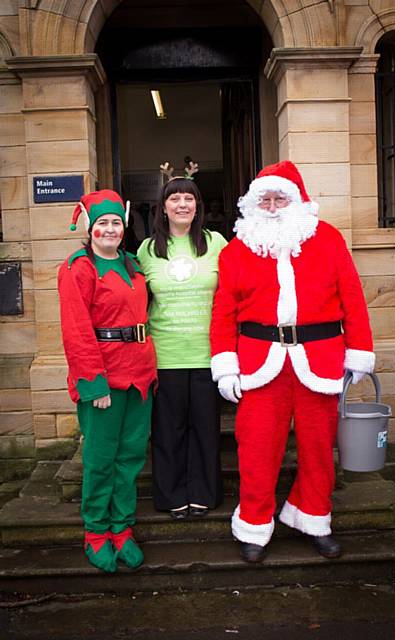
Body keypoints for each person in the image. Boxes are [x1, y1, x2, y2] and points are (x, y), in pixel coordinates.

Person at [210, 161, 375, 563]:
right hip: (259, 363)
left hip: (320, 360)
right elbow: (223, 312)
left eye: (279, 197)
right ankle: (254, 525)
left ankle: (314, 517)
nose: (271, 205)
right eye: (264, 198)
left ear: (297, 200)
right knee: (256, 449)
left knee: (319, 448)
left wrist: (359, 353)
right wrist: (225, 365)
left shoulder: (329, 239)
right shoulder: (237, 249)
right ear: (252, 203)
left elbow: (352, 299)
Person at [58, 189, 157, 573]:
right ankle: (96, 531)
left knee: (131, 458)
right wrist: (93, 384)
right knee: (101, 460)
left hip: (140, 378)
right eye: (102, 223)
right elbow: (77, 331)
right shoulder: (77, 268)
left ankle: (122, 528)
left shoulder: (132, 265)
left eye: (116, 222)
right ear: (89, 227)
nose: (110, 229)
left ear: (125, 224)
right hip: (104, 380)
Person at [137, 166, 227, 520]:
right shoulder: (146, 250)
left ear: (198, 205)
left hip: (207, 355)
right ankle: (172, 496)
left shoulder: (216, 243)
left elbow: (233, 294)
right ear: (163, 207)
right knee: (168, 432)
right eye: (175, 198)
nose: (182, 203)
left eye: (189, 197)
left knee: (205, 430)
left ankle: (204, 493)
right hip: (165, 355)